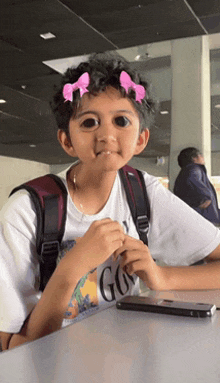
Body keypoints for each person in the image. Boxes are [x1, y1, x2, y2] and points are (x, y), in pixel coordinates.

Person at [1, 53, 220, 352]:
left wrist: (160, 276)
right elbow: (12, 350)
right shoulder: (27, 211)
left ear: (141, 138)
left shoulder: (142, 192)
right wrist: (71, 268)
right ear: (67, 140)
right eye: (89, 122)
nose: (106, 134)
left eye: (121, 120)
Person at [174, 147, 220, 226]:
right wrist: (206, 197)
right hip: (205, 220)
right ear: (194, 158)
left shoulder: (185, 172)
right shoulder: (193, 169)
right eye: (201, 155)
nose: (203, 157)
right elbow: (192, 180)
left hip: (198, 219)